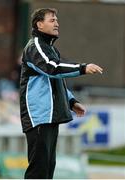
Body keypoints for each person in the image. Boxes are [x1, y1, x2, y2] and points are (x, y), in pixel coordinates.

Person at [20, 8, 103, 179]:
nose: (57, 23)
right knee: (39, 170)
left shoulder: (50, 49)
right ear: (39, 24)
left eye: (57, 20)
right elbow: (53, 69)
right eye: (52, 20)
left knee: (48, 168)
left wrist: (72, 102)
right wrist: (82, 68)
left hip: (50, 116)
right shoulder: (34, 46)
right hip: (39, 116)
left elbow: (56, 81)